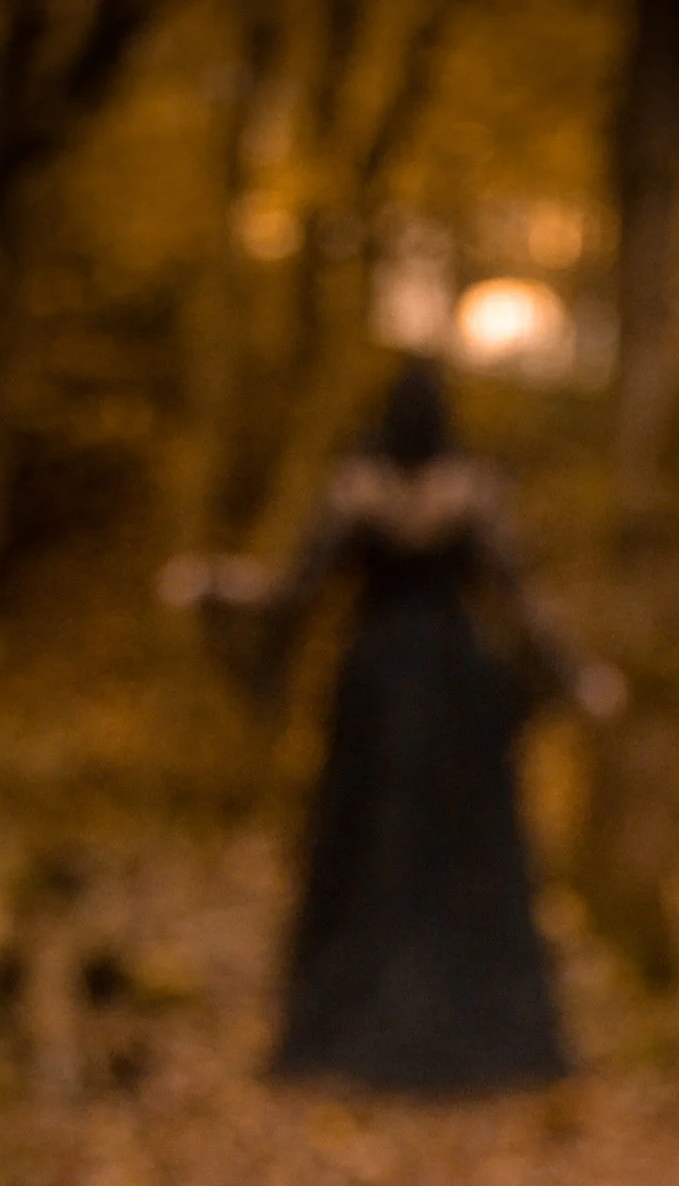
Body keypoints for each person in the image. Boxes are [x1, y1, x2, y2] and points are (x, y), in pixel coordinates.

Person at [162, 359, 623, 1094]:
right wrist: (576, 675)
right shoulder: (464, 489)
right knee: (416, 850)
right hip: (444, 689)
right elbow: (518, 600)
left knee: (392, 848)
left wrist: (218, 584)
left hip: (386, 688)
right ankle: (426, 1027)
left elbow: (292, 592)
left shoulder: (361, 490)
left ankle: (393, 1025)